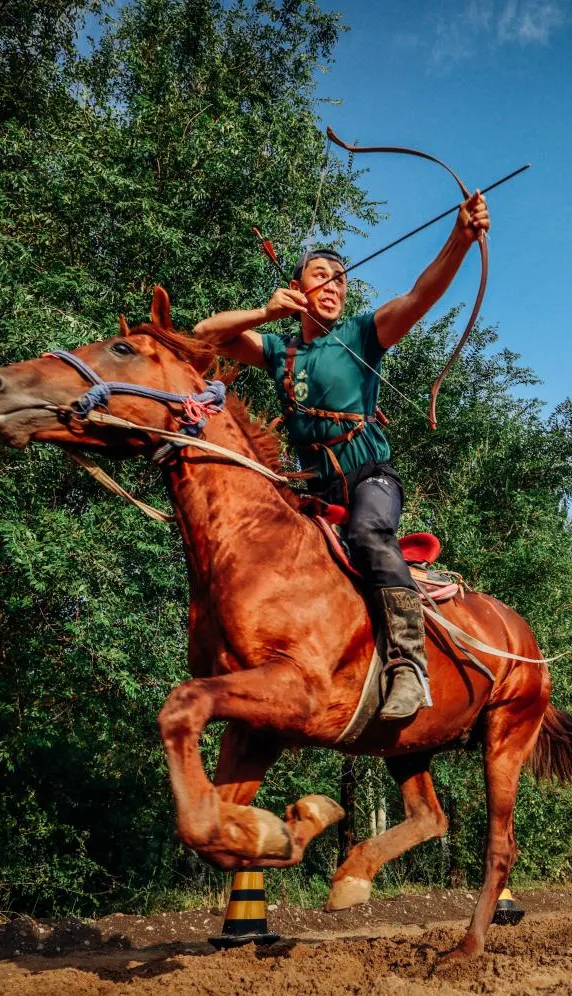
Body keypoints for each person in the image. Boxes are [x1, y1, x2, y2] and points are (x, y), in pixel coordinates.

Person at [192, 191, 490, 720]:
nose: (332, 286)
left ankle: (408, 664)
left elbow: (421, 295)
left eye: (340, 279)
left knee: (370, 534)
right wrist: (264, 311)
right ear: (297, 287)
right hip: (314, 489)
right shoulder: (279, 348)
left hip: (369, 478)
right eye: (320, 276)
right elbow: (202, 337)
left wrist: (460, 238)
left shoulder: (363, 334)